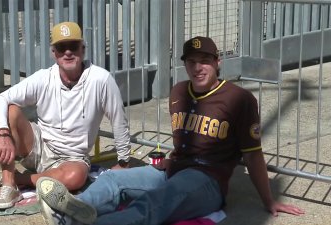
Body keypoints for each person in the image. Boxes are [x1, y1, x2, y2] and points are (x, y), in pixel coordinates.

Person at [35, 36, 304, 225]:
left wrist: (269, 200)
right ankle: (72, 212)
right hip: (173, 169)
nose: (198, 67)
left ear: (217, 61)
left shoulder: (240, 99)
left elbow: (253, 155)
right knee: (112, 180)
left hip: (208, 181)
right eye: (191, 62)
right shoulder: (178, 92)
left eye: (205, 60)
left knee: (157, 202)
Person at [0, 21, 131, 210]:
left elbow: (118, 119)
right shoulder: (43, 78)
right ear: (54, 53)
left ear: (83, 49)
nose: (67, 52)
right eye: (61, 47)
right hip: (39, 147)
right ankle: (9, 186)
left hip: (73, 157)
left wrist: (124, 161)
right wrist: (3, 134)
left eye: (73, 46)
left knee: (76, 178)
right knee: (10, 110)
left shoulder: (101, 79)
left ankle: (16, 178)